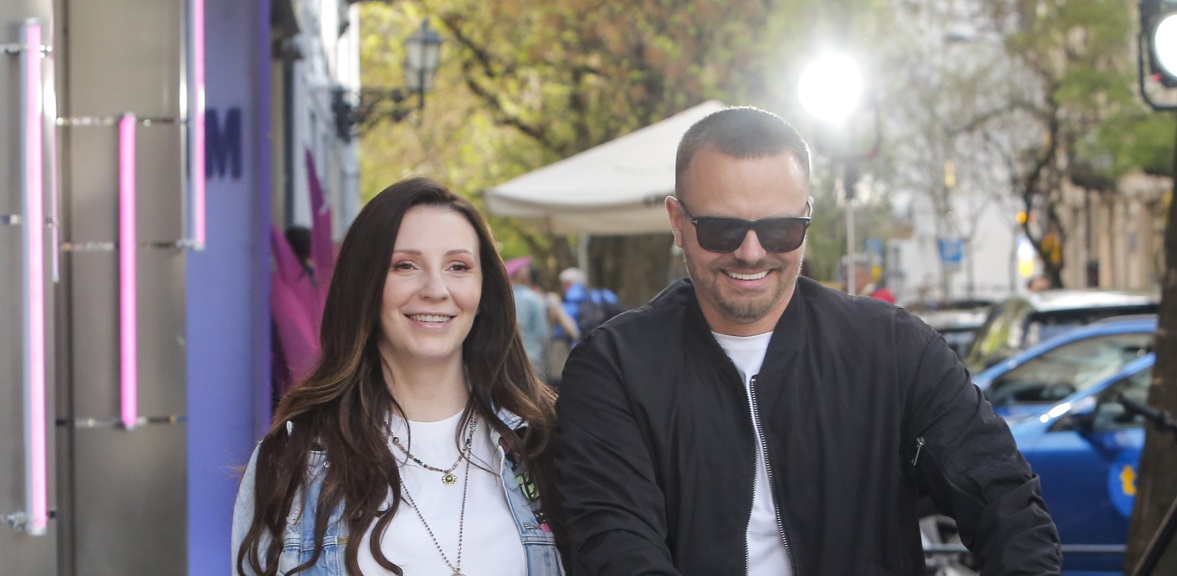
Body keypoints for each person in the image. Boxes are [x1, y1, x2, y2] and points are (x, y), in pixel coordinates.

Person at [553, 107, 1061, 574]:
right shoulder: (614, 367)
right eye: (722, 229)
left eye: (780, 229)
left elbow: (1008, 507)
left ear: (808, 219)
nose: (752, 252)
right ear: (678, 223)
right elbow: (616, 548)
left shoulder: (893, 349)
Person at [233, 177, 564, 575]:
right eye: (405, 265)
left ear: (484, 292)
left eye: (458, 266)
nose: (436, 289)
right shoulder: (293, 459)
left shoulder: (546, 443)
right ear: (365, 285)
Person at [507, 256, 552, 381]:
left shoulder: (501, 298)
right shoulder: (532, 298)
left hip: (505, 359)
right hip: (532, 357)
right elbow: (543, 332)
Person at [557, 267, 624, 342]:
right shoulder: (603, 294)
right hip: (608, 343)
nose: (561, 287)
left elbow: (559, 331)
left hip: (582, 345)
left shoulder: (569, 303)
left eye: (563, 284)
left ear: (568, 284)